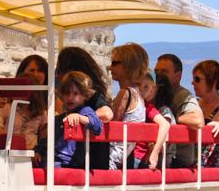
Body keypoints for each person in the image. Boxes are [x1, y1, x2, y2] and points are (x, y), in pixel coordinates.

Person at [35, 72, 107, 169]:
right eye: (66, 93)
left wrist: (80, 118)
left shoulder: (84, 111)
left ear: (85, 95)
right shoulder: (58, 119)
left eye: (76, 93)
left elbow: (97, 125)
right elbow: (47, 140)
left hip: (71, 163)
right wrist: (38, 151)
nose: (70, 98)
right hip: (52, 158)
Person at [154, 53, 205, 167]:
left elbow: (197, 120)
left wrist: (172, 118)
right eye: (157, 71)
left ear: (178, 76)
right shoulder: (155, 93)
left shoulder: (181, 95)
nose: (159, 75)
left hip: (177, 160)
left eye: (164, 72)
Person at [107, 42, 149, 170]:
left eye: (115, 63)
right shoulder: (138, 94)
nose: (110, 67)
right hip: (126, 156)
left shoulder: (125, 93)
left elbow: (113, 123)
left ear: (128, 66)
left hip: (113, 157)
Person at [54, 46, 114, 123]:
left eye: (60, 70)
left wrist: (83, 117)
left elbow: (107, 114)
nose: (57, 75)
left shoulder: (93, 96)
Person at [2, 54, 47, 150]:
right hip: (9, 150)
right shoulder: (8, 108)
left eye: (21, 91)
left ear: (33, 93)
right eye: (15, 89)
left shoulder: (41, 113)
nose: (16, 93)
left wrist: (39, 151)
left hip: (30, 151)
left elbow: (44, 136)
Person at [133, 72, 173, 169]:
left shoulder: (147, 107)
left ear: (153, 89)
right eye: (138, 84)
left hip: (139, 156)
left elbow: (165, 124)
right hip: (129, 153)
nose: (141, 89)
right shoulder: (133, 103)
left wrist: (155, 152)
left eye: (147, 87)